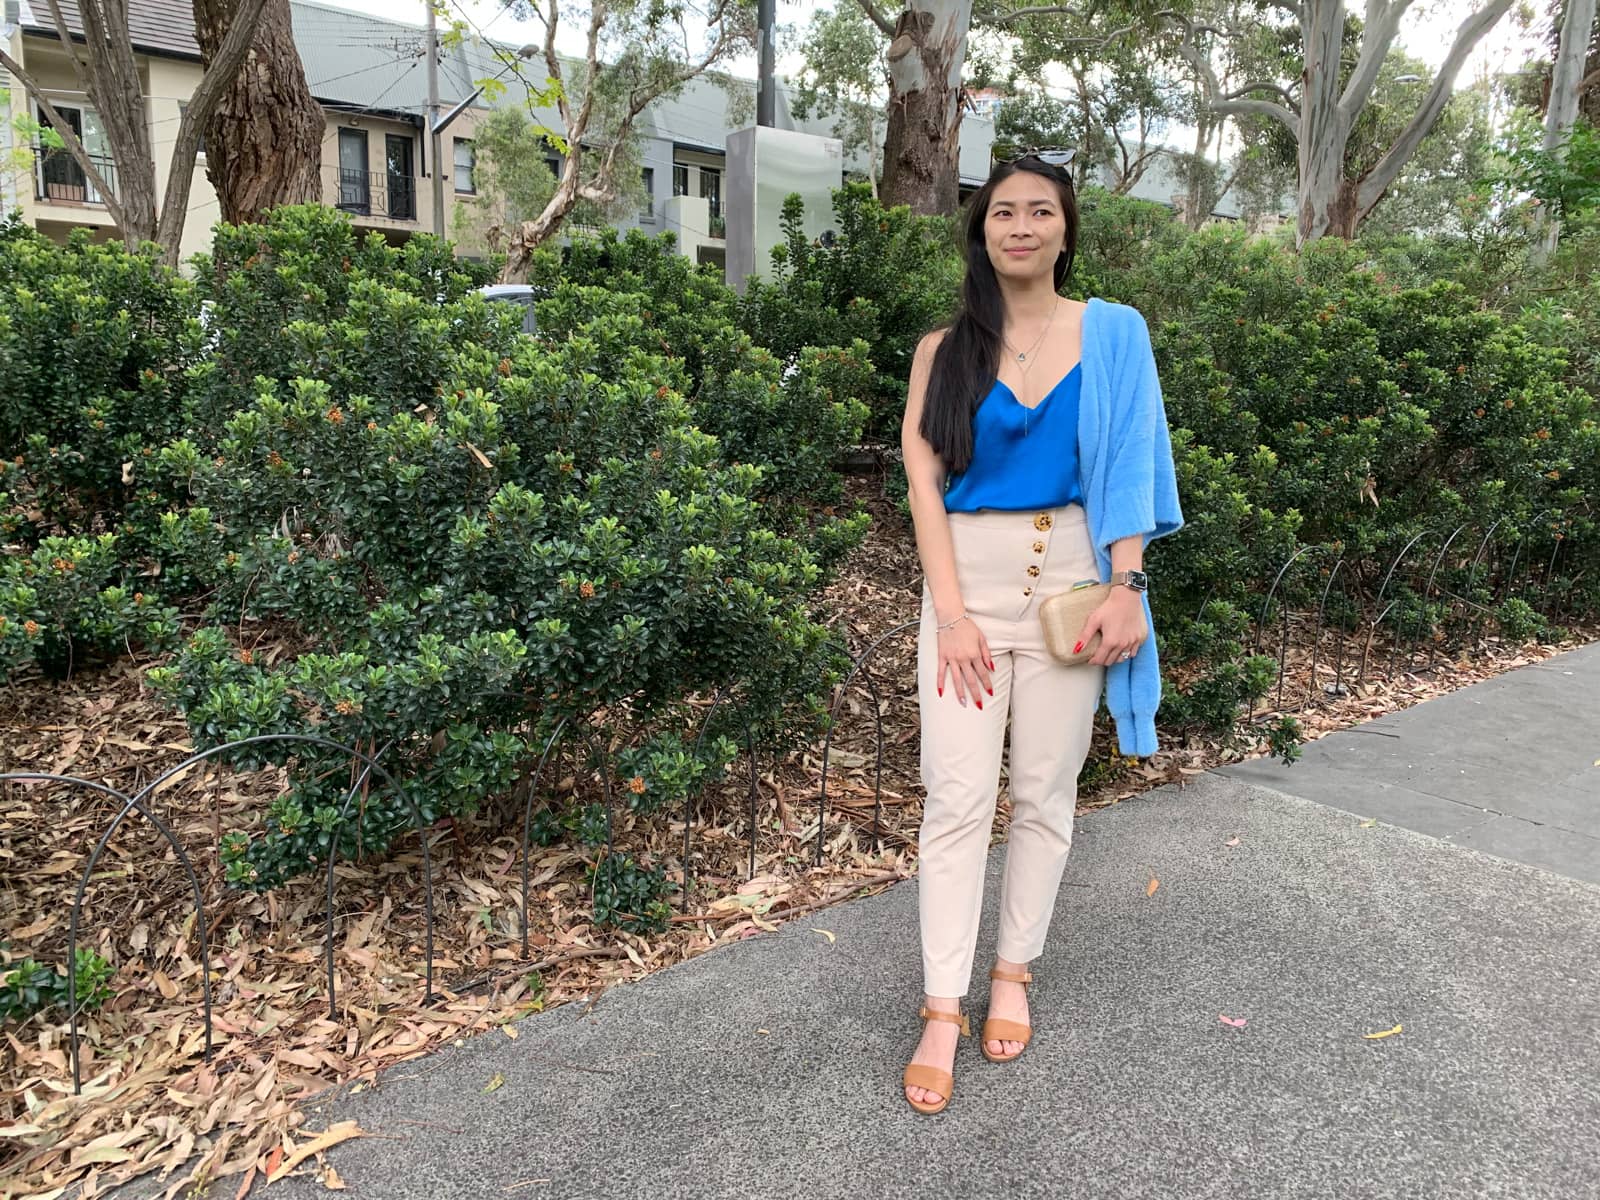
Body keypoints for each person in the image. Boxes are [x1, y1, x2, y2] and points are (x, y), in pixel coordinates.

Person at [898, 149, 1184, 1115]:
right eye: (1001, 213)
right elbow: (923, 484)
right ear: (980, 232)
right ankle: (944, 1005)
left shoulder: (1113, 335)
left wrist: (1126, 584)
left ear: (1066, 228)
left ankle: (1012, 972)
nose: (1018, 226)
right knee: (956, 798)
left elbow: (1136, 453)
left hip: (1071, 587)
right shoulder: (947, 349)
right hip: (965, 594)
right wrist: (951, 619)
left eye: (1039, 212)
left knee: (1046, 792)